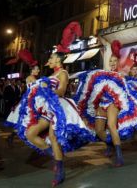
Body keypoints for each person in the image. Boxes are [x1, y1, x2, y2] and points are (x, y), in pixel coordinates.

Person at [17, 51, 94, 186]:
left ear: (58, 60)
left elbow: (62, 91)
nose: (49, 60)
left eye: (51, 57)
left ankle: (60, 170)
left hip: (59, 107)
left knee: (53, 137)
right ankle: (55, 156)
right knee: (30, 134)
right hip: (48, 108)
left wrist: (47, 90)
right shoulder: (51, 75)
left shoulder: (63, 73)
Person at [74, 40, 137, 167]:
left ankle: (119, 155)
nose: (113, 63)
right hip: (102, 103)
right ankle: (110, 144)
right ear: (108, 62)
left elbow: (124, 94)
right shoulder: (103, 74)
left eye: (115, 61)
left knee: (111, 125)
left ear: (118, 62)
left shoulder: (121, 76)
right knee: (99, 130)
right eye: (111, 61)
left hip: (113, 103)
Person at [6, 49, 40, 145]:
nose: (38, 70)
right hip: (30, 101)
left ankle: (12, 136)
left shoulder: (34, 78)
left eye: (38, 69)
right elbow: (33, 90)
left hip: (31, 100)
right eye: (37, 69)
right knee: (26, 120)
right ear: (32, 70)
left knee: (25, 121)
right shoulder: (31, 78)